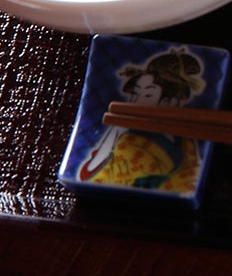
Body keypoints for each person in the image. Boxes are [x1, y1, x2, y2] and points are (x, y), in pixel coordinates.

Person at [78, 47, 207, 191]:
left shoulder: (183, 140)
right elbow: (90, 177)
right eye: (135, 93)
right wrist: (114, 133)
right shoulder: (128, 139)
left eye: (148, 95)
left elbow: (90, 173)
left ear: (170, 102)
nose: (136, 101)